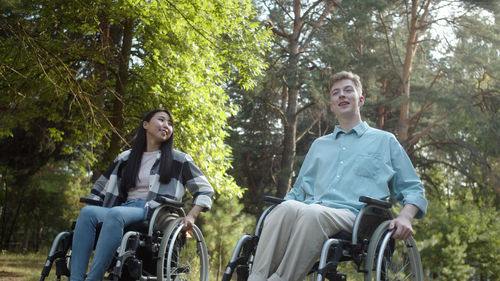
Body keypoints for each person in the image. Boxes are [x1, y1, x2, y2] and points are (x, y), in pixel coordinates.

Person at [247, 71, 428, 281]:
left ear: (360, 99)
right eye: (336, 93)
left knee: (312, 213)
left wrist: (405, 216)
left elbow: (413, 187)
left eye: (348, 90)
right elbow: (298, 191)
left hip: (354, 217)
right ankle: (257, 278)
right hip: (311, 210)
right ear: (332, 105)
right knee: (285, 208)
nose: (341, 95)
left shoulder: (384, 141)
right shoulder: (319, 145)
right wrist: (282, 213)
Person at [70, 109, 214, 281]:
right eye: (161, 120)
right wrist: (95, 202)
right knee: (87, 213)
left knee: (116, 214)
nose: (166, 126)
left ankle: (94, 278)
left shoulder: (180, 160)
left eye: (170, 123)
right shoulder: (125, 158)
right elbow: (102, 186)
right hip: (124, 208)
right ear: (145, 125)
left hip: (155, 211)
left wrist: (192, 215)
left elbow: (205, 189)